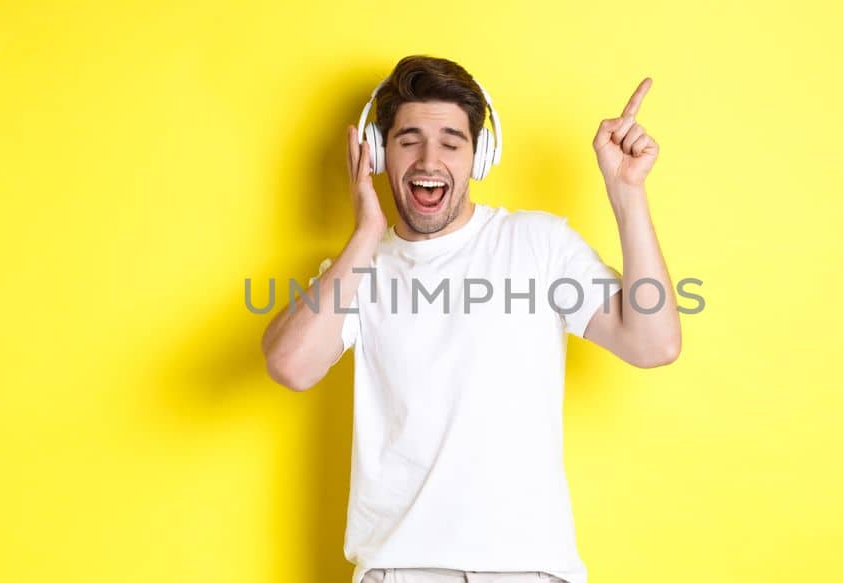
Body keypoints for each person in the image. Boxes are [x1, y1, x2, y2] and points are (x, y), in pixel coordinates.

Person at [260, 55, 681, 583]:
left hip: (529, 571)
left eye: (451, 142)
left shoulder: (539, 244)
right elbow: (290, 366)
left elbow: (654, 343)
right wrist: (366, 231)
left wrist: (627, 193)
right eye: (408, 140)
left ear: (480, 156)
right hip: (401, 571)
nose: (428, 160)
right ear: (378, 154)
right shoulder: (356, 271)